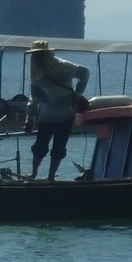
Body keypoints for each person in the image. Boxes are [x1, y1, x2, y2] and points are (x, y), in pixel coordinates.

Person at [26, 41, 90, 181]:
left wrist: (77, 94)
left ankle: (50, 177)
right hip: (46, 115)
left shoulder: (64, 66)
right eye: (34, 55)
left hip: (66, 114)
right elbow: (34, 97)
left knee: (59, 148)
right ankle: (34, 172)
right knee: (40, 146)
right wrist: (29, 118)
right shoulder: (36, 72)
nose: (36, 57)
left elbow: (85, 73)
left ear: (47, 53)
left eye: (39, 54)